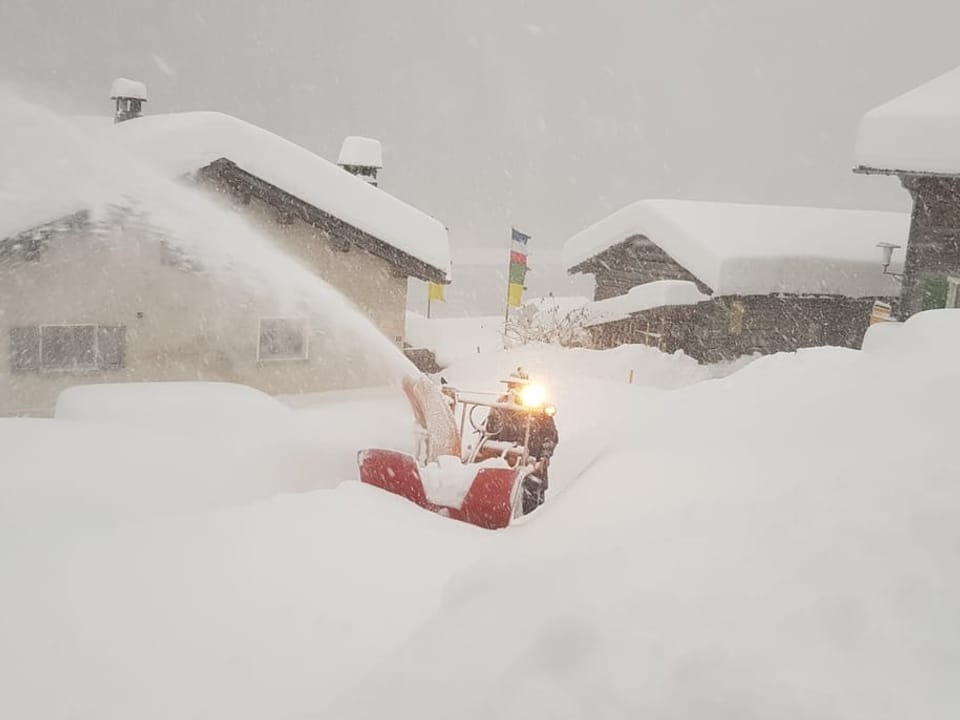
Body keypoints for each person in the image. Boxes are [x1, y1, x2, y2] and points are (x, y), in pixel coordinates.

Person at [485, 367, 558, 514]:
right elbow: (490, 433)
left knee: (530, 505)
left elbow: (550, 436)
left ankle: (525, 531)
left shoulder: (539, 409)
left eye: (518, 386)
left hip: (531, 466)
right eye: (511, 385)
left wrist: (544, 457)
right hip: (503, 464)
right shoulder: (499, 406)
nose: (514, 390)